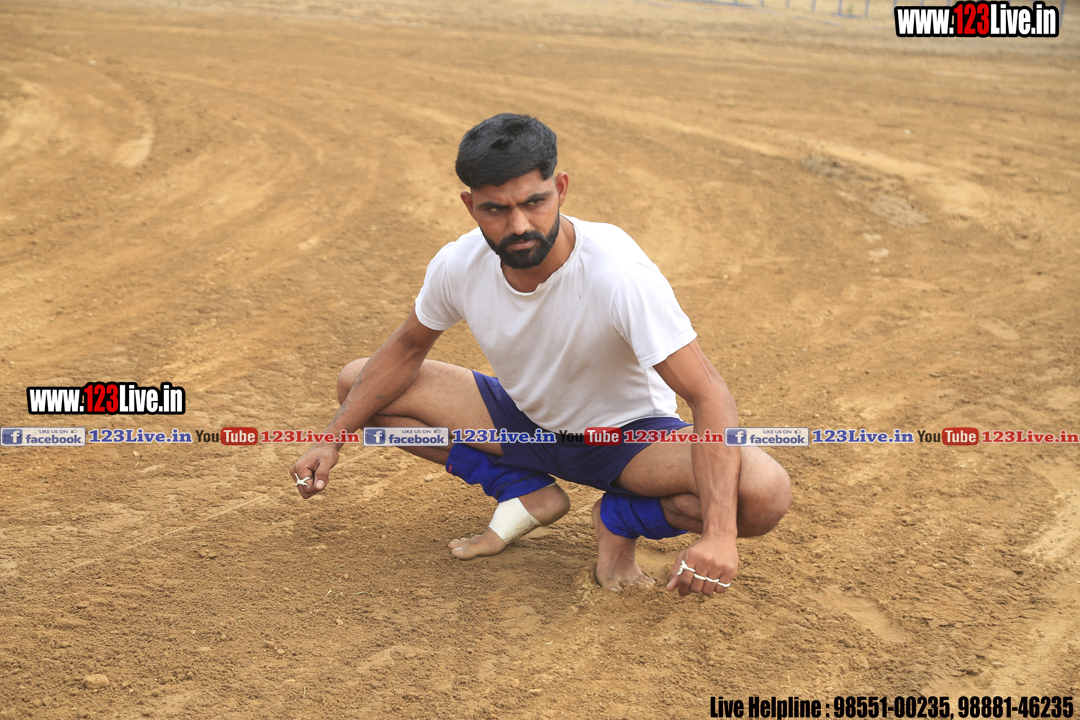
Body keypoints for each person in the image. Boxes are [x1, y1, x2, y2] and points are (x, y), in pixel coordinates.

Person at [290, 113, 791, 597]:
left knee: (763, 492)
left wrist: (719, 534)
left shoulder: (617, 273)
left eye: (535, 202)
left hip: (627, 441)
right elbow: (406, 349)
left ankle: (620, 518)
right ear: (470, 205)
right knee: (357, 384)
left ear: (562, 189)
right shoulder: (459, 263)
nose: (519, 224)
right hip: (521, 423)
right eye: (495, 209)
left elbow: (708, 393)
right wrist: (331, 440)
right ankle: (522, 488)